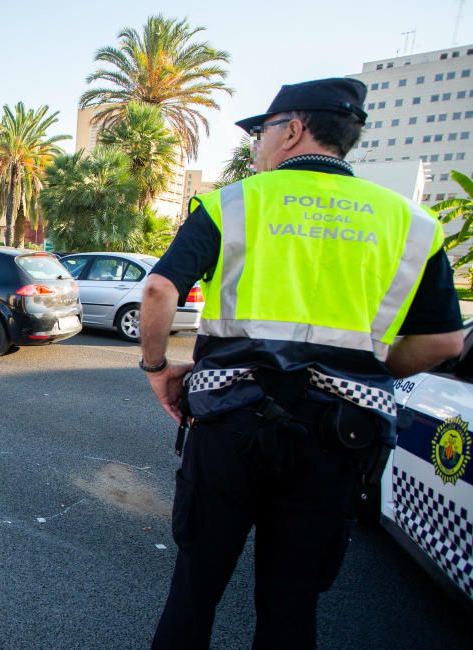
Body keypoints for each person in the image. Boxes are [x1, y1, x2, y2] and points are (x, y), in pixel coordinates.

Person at [138, 77, 466, 649]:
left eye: (261, 131)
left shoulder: (236, 202)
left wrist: (158, 369)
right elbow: (443, 343)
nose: (256, 146)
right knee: (290, 607)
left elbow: (159, 291)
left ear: (292, 129)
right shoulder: (411, 224)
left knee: (195, 590)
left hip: (229, 425)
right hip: (337, 436)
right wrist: (364, 372)